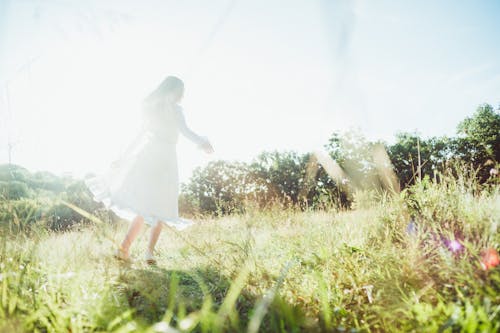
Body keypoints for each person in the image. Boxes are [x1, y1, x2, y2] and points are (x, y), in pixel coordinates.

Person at [85, 76, 214, 264]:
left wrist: (122, 158)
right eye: (181, 91)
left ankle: (124, 249)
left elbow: (138, 136)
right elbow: (185, 131)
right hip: (165, 158)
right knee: (161, 205)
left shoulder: (152, 108)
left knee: (145, 206)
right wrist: (203, 142)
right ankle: (148, 253)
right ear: (176, 91)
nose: (182, 95)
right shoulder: (175, 110)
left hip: (148, 155)